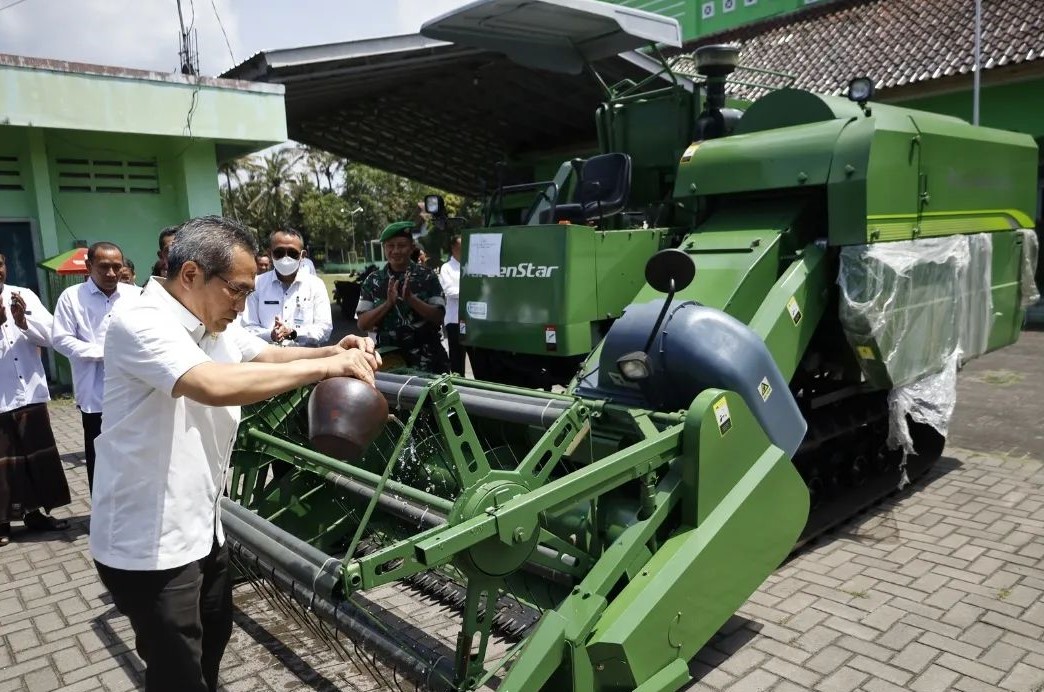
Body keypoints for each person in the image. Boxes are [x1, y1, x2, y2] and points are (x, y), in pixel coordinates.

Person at [89, 215, 380, 692]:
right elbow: (213, 384)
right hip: (151, 545)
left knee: (211, 646)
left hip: (203, 529)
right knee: (177, 675)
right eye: (239, 291)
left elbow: (264, 354)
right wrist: (329, 368)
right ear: (190, 275)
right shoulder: (140, 320)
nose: (245, 304)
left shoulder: (212, 323)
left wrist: (333, 348)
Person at [52, 242, 138, 493]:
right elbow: (61, 339)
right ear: (89, 267)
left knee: (135, 455)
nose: (111, 273)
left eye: (116, 267)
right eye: (104, 267)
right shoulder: (72, 297)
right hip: (95, 395)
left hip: (134, 391)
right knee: (100, 458)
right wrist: (103, 353)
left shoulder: (135, 295)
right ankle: (102, 517)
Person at [0, 253, 71, 546]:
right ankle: (2, 522)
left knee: (36, 459)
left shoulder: (24, 295)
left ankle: (36, 515)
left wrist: (23, 322)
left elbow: (54, 337)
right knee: (4, 465)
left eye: (0, 264)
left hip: (29, 393)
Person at [357, 222, 450, 373]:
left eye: (401, 245)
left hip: (427, 362)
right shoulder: (373, 280)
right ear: (384, 248)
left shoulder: (427, 276)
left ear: (412, 247)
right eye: (390, 246)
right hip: (389, 362)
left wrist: (411, 299)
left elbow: (438, 317)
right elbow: (362, 324)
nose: (395, 251)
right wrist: (387, 304)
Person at [241, 228, 332, 347]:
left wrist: (293, 333)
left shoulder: (315, 285)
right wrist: (270, 335)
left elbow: (324, 329)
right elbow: (247, 326)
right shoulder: (256, 284)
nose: (286, 258)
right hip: (267, 360)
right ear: (270, 254)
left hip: (306, 360)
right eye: (279, 252)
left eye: (292, 253)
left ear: (302, 255)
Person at [439, 235, 465, 375]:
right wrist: (470, 293)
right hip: (454, 320)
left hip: (472, 319)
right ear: (453, 248)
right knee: (457, 360)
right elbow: (450, 291)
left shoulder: (469, 264)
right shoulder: (446, 268)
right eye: (461, 247)